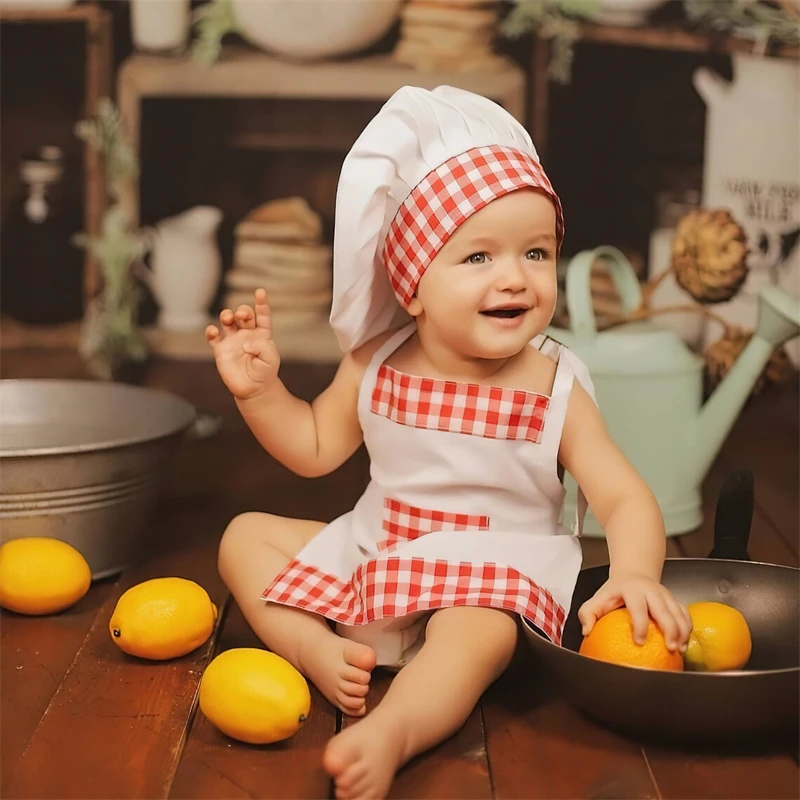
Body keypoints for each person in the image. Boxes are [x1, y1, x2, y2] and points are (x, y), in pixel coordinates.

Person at [206, 85, 692, 800]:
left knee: (473, 635)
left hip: (493, 572)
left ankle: (395, 728)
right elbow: (312, 448)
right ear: (411, 286)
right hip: (382, 552)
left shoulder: (553, 386)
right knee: (243, 538)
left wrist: (637, 574)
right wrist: (260, 395)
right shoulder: (375, 363)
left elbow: (620, 495)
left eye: (535, 252)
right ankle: (313, 647)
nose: (513, 277)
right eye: (477, 258)